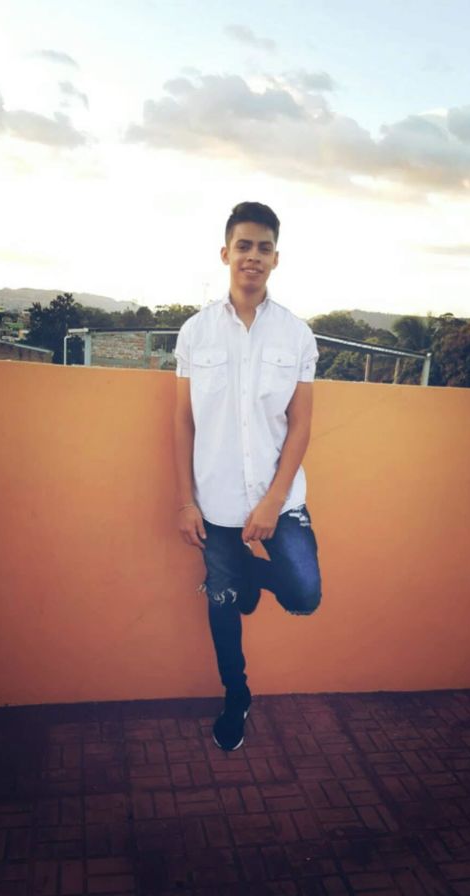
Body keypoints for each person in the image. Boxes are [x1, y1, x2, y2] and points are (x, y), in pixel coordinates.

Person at [173, 201, 322, 751]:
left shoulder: (297, 336)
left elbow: (301, 425)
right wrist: (185, 501)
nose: (252, 257)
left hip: (279, 500)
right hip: (214, 502)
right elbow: (183, 421)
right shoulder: (195, 333)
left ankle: (244, 578)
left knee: (304, 594)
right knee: (222, 607)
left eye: (264, 248)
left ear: (275, 258)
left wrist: (272, 502)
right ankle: (236, 697)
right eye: (243, 246)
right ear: (225, 254)